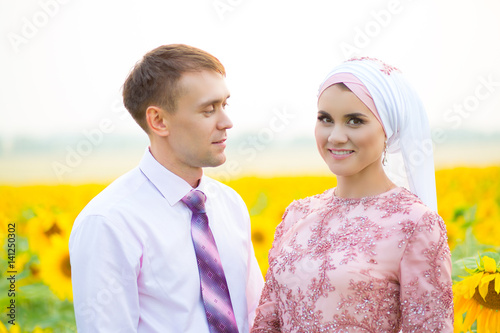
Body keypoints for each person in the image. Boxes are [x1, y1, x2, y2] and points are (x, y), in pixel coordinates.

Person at [69, 44, 264, 332]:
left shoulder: (229, 204)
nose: (226, 122)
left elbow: (255, 315)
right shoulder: (109, 222)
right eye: (209, 110)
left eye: (225, 105)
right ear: (158, 121)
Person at [251, 57, 454, 332]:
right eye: (325, 119)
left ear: (388, 130)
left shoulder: (416, 223)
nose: (335, 136)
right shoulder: (297, 214)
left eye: (355, 121)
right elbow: (267, 323)